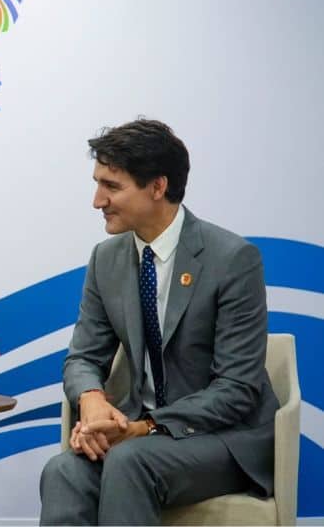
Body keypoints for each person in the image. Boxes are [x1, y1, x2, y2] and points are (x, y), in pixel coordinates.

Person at [39, 119, 279, 525]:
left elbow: (237, 390)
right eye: (97, 184)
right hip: (139, 434)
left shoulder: (233, 259)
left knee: (132, 461)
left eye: (111, 186)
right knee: (62, 471)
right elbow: (82, 358)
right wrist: (91, 400)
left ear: (157, 187)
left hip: (222, 439)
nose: (98, 201)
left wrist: (147, 427)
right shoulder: (106, 259)